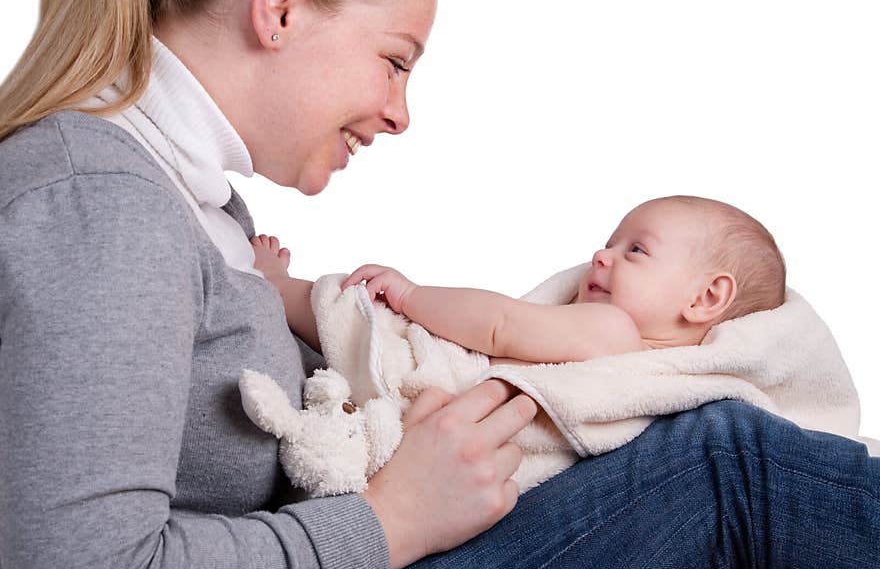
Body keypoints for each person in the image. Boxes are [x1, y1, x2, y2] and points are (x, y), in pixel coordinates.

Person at [0, 0, 877, 569]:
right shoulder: (101, 205)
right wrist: (391, 521)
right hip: (368, 563)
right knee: (727, 463)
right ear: (281, 5)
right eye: (395, 60)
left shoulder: (192, 200)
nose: (400, 112)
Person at [253, 195, 786, 367]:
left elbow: (499, 326)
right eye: (611, 241)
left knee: (371, 321)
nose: (601, 255)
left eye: (636, 250)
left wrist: (411, 295)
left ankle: (278, 291)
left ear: (706, 298)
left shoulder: (615, 334)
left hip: (447, 389)